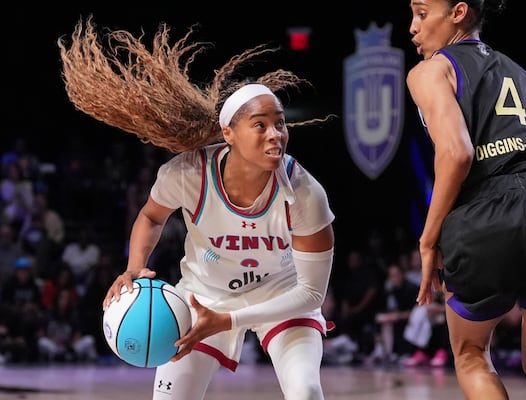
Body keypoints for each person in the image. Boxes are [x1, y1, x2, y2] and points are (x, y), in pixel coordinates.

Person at [58, 16, 335, 400]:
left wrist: (230, 320)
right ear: (228, 134)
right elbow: (151, 216)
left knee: (306, 391)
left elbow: (311, 294)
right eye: (260, 125)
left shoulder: (305, 192)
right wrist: (134, 267)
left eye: (280, 124)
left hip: (282, 297)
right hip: (204, 297)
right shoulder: (187, 174)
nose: (275, 134)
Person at [406, 1, 526, 399]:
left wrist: (428, 240)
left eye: (422, 13)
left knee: (471, 354)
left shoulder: (431, 70)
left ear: (458, 13)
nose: (413, 27)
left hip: (484, 214)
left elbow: (457, 153)